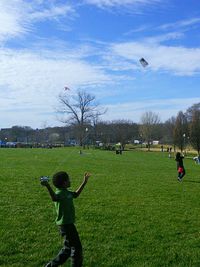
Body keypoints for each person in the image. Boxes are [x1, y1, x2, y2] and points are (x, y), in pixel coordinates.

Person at [41, 171, 91, 267]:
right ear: (64, 183)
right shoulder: (59, 193)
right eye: (68, 180)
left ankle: (51, 265)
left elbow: (75, 195)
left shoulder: (66, 192)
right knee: (77, 248)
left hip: (68, 224)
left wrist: (84, 182)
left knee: (68, 248)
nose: (70, 181)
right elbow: (54, 198)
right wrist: (47, 186)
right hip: (65, 224)